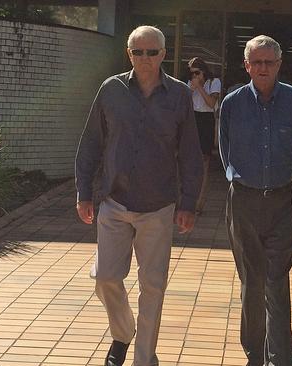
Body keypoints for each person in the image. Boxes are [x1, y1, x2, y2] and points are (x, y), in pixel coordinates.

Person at [75, 25, 203, 366]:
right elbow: (91, 142)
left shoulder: (178, 95)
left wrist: (188, 203)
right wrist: (83, 191)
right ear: (129, 54)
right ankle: (122, 332)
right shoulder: (110, 89)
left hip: (158, 207)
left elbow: (190, 153)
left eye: (152, 52)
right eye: (137, 51)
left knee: (154, 286)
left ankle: (144, 359)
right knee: (105, 278)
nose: (144, 58)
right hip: (113, 202)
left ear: (163, 54)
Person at [219, 35, 292, 366]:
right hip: (243, 201)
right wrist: (240, 180)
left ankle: (281, 358)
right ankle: (254, 354)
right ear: (246, 66)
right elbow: (224, 150)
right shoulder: (232, 103)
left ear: (280, 65)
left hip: (284, 204)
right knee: (251, 282)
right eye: (256, 62)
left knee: (275, 278)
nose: (263, 68)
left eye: (269, 62)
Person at [187, 57, 221, 214]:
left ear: (203, 71)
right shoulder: (190, 84)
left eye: (197, 72)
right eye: (192, 73)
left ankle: (199, 203)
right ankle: (186, 200)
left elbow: (211, 103)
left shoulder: (214, 82)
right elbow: (184, 103)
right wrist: (192, 88)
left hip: (206, 119)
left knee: (204, 162)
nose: (194, 76)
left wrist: (200, 87)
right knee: (188, 160)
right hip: (193, 118)